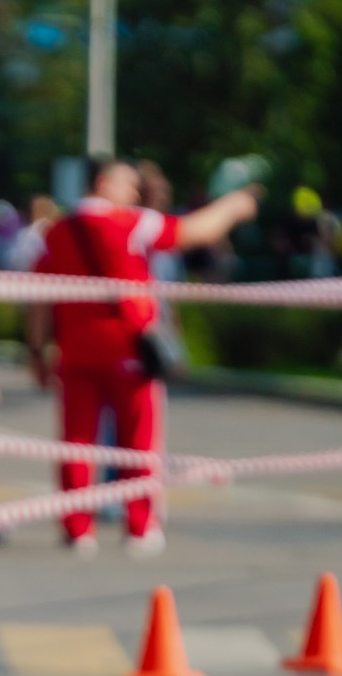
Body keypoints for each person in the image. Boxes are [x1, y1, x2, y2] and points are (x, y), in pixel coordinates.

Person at [31, 157, 263, 556]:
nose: (134, 192)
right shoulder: (131, 223)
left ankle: (77, 529)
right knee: (138, 440)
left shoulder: (56, 232)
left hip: (75, 349)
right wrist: (236, 205)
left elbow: (36, 299)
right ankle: (139, 525)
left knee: (76, 442)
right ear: (103, 183)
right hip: (128, 348)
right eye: (128, 183)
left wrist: (36, 349)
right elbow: (196, 231)